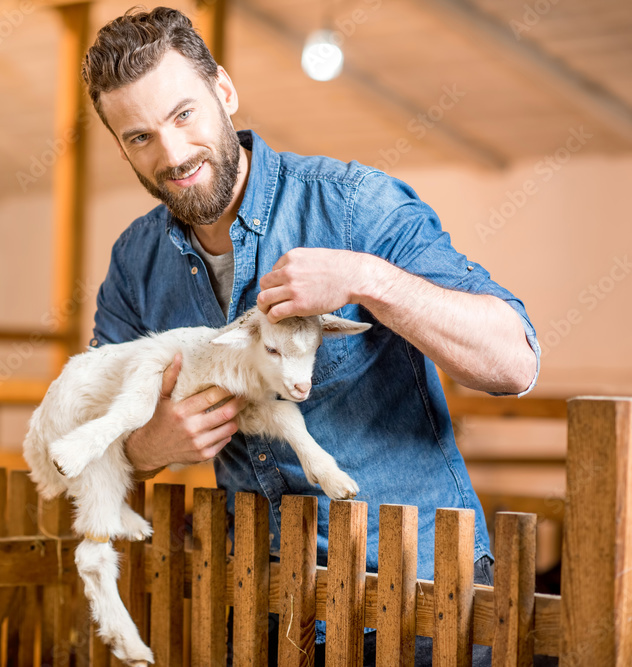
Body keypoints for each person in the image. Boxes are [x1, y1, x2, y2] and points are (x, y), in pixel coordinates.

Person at [80, 6, 542, 665]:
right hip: (268, 608)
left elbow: (514, 361)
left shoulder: (354, 204)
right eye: (140, 137)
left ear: (225, 93)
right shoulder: (135, 262)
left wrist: (368, 279)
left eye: (184, 115)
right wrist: (150, 443)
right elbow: (89, 447)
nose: (173, 154)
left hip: (423, 602)